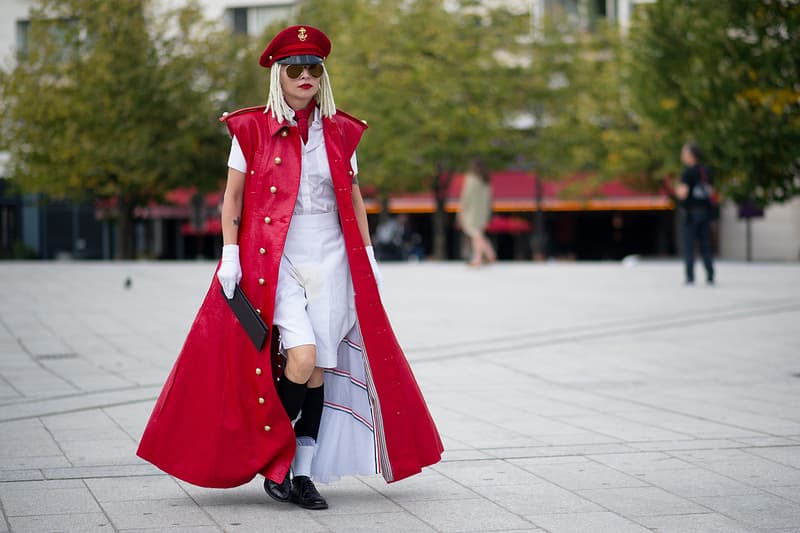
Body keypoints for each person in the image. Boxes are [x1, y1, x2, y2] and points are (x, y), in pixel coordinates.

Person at [137, 25, 443, 510]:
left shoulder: (342, 131)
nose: (306, 76)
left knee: (318, 369)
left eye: (314, 68)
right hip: (274, 257)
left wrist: (368, 257)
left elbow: (354, 199)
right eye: (295, 68)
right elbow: (232, 197)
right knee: (300, 358)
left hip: (333, 257)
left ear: (323, 75)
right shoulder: (250, 128)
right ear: (277, 75)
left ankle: (301, 475)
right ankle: (272, 455)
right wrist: (230, 254)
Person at [675, 141, 715, 285]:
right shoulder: (706, 171)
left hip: (691, 214)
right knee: (705, 245)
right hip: (705, 213)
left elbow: (683, 193)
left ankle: (690, 276)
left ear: (691, 155)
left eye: (684, 153)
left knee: (689, 245)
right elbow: (712, 191)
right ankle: (710, 274)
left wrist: (677, 190)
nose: (682, 156)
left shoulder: (688, 172)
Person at [457, 158, 496, 266]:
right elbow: (489, 198)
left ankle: (479, 258)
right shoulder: (485, 180)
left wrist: (461, 211)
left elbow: (466, 196)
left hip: (471, 212)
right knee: (478, 234)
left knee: (476, 235)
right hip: (483, 212)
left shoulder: (471, 178)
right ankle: (489, 254)